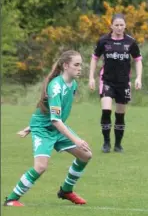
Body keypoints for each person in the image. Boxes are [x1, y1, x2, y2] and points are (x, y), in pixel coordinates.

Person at [4, 50, 92, 207]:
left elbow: (47, 111)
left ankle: (66, 190)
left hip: (55, 126)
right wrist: (76, 140)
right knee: (41, 166)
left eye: (81, 64)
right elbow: (55, 119)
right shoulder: (56, 87)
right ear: (65, 65)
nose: (80, 68)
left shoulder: (73, 84)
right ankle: (11, 199)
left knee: (85, 155)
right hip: (44, 129)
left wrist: (28, 127)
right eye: (76, 65)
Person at [89, 13, 143, 153]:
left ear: (125, 26)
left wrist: (138, 78)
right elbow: (94, 58)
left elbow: (138, 60)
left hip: (123, 83)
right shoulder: (103, 41)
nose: (119, 27)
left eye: (122, 25)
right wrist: (91, 78)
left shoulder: (130, 42)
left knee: (120, 114)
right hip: (107, 81)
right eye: (116, 25)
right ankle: (106, 143)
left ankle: (118, 145)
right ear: (111, 26)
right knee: (106, 110)